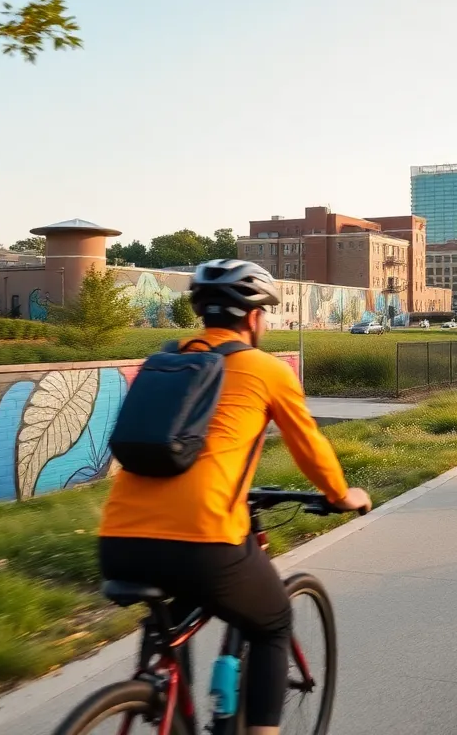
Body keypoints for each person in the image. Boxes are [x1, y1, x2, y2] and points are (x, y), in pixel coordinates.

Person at [98, 259, 372, 735]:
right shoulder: (265, 369)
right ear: (252, 317)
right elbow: (310, 448)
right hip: (203, 540)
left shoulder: (162, 362)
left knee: (171, 623)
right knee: (271, 623)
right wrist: (342, 495)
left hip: (119, 538)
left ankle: (162, 695)